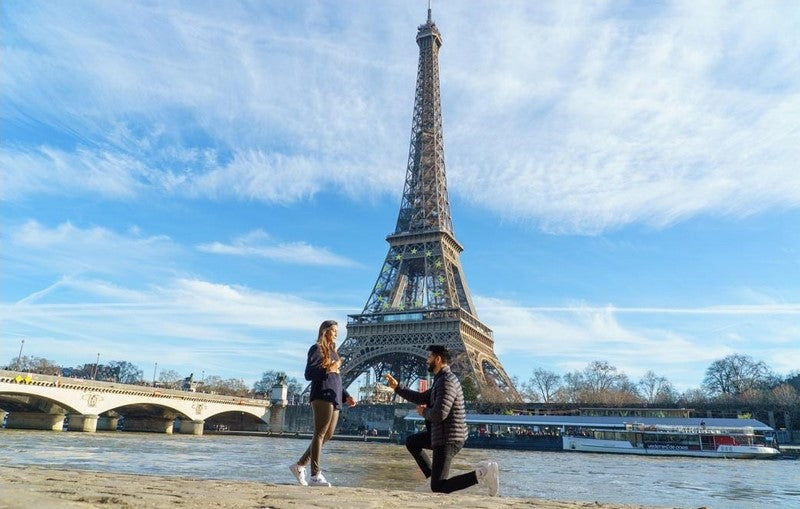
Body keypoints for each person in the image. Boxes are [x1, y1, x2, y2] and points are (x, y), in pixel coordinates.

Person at [384, 345, 499, 496]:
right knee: (412, 442)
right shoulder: (441, 380)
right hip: (442, 434)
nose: (426, 360)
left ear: (438, 359)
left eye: (429, 357)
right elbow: (420, 397)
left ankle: (483, 473)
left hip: (448, 438)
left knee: (438, 487)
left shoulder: (446, 382)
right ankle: (431, 478)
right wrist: (397, 387)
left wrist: (423, 412)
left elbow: (439, 414)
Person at [289, 320, 356, 487]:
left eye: (336, 331)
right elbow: (309, 373)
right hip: (321, 395)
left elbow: (337, 378)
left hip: (334, 396)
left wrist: (346, 395)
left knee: (328, 434)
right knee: (319, 433)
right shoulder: (317, 349)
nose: (336, 334)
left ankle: (300, 465)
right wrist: (328, 369)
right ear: (325, 331)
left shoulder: (334, 354)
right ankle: (315, 475)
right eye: (334, 331)